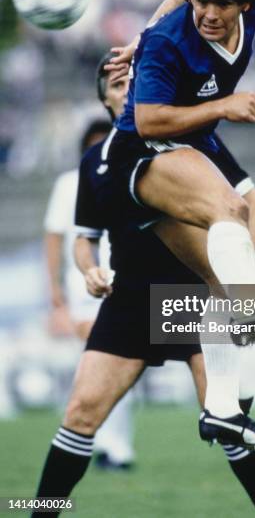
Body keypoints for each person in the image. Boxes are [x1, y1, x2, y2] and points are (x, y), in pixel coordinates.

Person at [31, 52, 255, 518]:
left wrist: (239, 285)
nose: (126, 87)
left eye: (133, 80)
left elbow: (254, 207)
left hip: (194, 297)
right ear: (105, 101)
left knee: (229, 419)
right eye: (115, 84)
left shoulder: (193, 144)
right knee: (80, 415)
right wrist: (88, 269)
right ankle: (37, 512)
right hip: (129, 298)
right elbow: (83, 240)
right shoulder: (96, 162)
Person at [108, 0, 255, 450]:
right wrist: (223, 105)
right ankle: (253, 308)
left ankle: (222, 411)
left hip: (188, 145)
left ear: (245, 5)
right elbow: (148, 120)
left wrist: (138, 38)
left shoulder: (252, 14)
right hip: (138, 155)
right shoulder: (169, 41)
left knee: (217, 276)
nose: (207, 13)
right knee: (233, 209)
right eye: (200, 1)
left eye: (220, 3)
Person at [44, 114, 137, 468]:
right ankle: (111, 445)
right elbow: (55, 238)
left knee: (110, 364)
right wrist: (54, 288)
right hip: (83, 283)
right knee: (100, 359)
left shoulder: (125, 173)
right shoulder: (69, 184)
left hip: (121, 280)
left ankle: (114, 445)